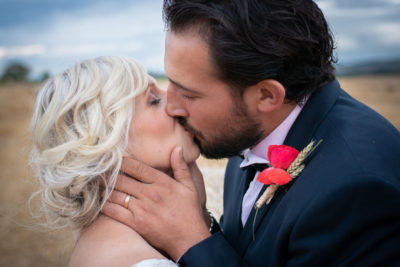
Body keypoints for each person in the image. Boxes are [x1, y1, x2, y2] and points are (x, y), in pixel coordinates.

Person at [103, 0, 400, 266]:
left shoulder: (358, 191)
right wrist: (201, 222)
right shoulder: (250, 132)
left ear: (267, 96)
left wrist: (191, 242)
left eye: (190, 94)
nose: (171, 106)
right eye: (171, 82)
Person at [30, 56, 203, 266]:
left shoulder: (102, 241)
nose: (176, 103)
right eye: (154, 100)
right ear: (104, 142)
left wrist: (201, 217)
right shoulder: (140, 261)